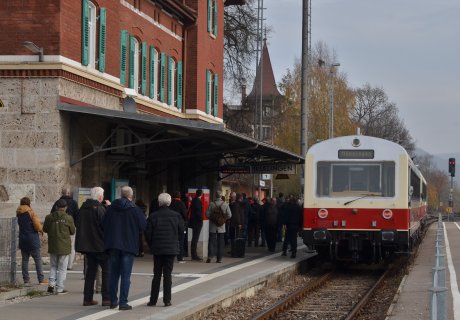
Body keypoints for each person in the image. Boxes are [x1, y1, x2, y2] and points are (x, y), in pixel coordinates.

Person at [103, 186, 146, 311]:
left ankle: (112, 301)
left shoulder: (111, 209)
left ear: (120, 194)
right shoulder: (135, 210)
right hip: (129, 246)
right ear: (131, 196)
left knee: (113, 275)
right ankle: (123, 302)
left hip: (113, 245)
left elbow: (103, 224)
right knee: (126, 276)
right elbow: (143, 225)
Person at [145, 193, 185, 307]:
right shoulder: (176, 216)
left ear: (159, 202)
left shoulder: (153, 216)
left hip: (157, 249)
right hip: (171, 249)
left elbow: (148, 233)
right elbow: (181, 231)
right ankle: (167, 300)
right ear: (170, 202)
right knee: (168, 275)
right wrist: (176, 242)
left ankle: (153, 300)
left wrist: (152, 244)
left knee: (156, 274)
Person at [75, 186, 111, 306]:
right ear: (100, 197)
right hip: (100, 245)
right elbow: (106, 225)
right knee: (106, 270)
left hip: (87, 245)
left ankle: (87, 298)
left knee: (90, 271)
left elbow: (77, 223)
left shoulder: (82, 209)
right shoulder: (100, 209)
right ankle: (106, 298)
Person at [43, 199, 76, 294]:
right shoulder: (68, 218)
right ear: (66, 208)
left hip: (53, 244)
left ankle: (51, 285)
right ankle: (60, 288)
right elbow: (72, 231)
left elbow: (45, 229)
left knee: (53, 266)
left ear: (56, 207)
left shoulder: (49, 217)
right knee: (62, 268)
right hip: (64, 246)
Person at [16, 197, 47, 285]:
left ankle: (26, 280)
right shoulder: (31, 212)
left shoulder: (18, 212)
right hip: (32, 239)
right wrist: (41, 230)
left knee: (25, 260)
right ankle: (41, 279)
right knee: (38, 260)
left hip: (23, 239)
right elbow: (37, 225)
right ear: (29, 203)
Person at [51, 187, 79, 270]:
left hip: (58, 227)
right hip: (71, 227)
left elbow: (52, 214)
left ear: (62, 193)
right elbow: (77, 216)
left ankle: (59, 264)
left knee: (58, 245)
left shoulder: (57, 202)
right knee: (71, 246)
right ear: (69, 193)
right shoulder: (74, 203)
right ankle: (69, 265)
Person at [206, 190, 232, 263]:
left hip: (212, 226)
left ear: (215, 195)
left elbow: (207, 214)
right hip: (221, 226)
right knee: (220, 243)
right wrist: (224, 219)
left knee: (211, 242)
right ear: (221, 196)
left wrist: (212, 219)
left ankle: (210, 257)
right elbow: (230, 215)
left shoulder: (211, 204)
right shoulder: (225, 204)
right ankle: (219, 259)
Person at [169, 191, 188, 262]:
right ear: (179, 196)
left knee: (171, 240)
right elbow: (185, 215)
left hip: (171, 224)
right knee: (181, 241)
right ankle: (180, 257)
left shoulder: (170, 203)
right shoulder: (181, 203)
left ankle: (171, 256)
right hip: (180, 224)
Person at [189, 189, 203, 261]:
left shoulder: (194, 200)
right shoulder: (197, 201)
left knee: (194, 238)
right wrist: (201, 219)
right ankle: (194, 255)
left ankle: (194, 254)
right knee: (195, 239)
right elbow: (198, 212)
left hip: (194, 222)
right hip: (197, 222)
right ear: (201, 194)